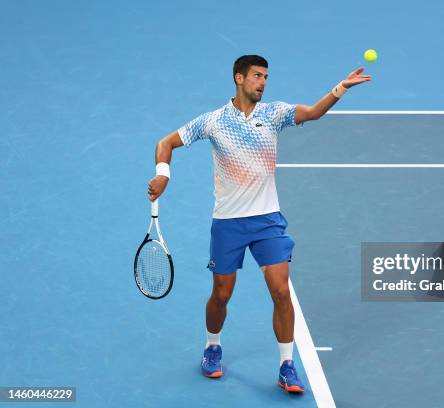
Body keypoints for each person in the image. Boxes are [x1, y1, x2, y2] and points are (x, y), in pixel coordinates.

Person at [147, 55, 371, 393]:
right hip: (228, 222)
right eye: (256, 76)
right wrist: (163, 175)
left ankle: (286, 366)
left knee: (281, 291)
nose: (262, 82)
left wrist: (340, 88)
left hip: (268, 220)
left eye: (266, 76)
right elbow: (166, 143)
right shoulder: (213, 121)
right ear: (239, 78)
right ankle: (212, 345)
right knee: (221, 294)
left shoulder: (275, 113)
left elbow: (312, 112)